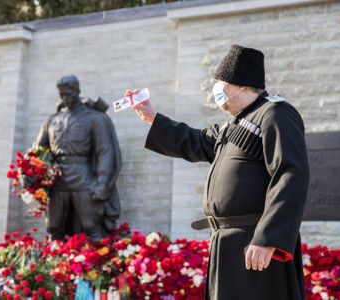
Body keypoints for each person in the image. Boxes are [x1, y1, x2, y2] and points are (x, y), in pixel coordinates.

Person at [129, 44, 310, 299]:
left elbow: (291, 175)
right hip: (226, 244)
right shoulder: (231, 125)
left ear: (243, 84)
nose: (218, 88)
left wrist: (268, 238)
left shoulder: (276, 114)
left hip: (254, 243)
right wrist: (151, 116)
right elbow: (194, 141)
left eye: (222, 82)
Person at [34, 75, 121, 241]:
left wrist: (102, 182)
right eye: (62, 95)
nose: (66, 99)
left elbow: (105, 152)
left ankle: (98, 262)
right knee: (54, 228)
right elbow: (37, 151)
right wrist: (29, 172)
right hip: (57, 179)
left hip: (84, 177)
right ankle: (55, 264)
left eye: (69, 94)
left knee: (92, 226)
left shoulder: (95, 118)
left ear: (77, 91)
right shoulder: (52, 120)